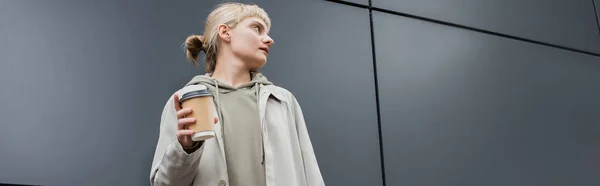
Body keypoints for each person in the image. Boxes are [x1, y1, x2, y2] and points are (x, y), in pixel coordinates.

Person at [149, 2, 325, 186]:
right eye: (257, 28)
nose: (269, 39)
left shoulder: (282, 101)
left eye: (267, 32)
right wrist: (185, 149)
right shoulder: (186, 100)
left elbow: (311, 176)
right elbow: (164, 184)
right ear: (225, 32)